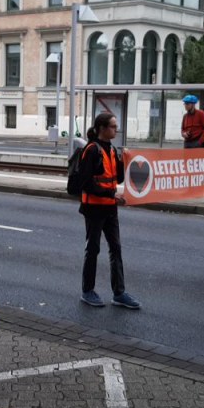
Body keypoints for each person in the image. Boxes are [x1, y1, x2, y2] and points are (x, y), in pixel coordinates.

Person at [77, 112, 141, 310]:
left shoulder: (111, 150)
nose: (116, 129)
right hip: (94, 208)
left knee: (116, 249)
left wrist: (125, 161)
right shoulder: (91, 150)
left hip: (109, 208)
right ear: (102, 128)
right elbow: (85, 183)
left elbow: (118, 178)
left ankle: (119, 293)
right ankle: (87, 291)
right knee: (93, 249)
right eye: (113, 126)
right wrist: (110, 195)